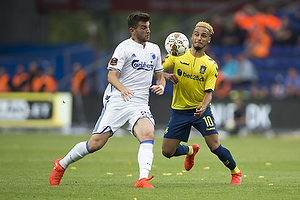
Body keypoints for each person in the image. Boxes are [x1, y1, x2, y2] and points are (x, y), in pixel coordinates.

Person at [50, 11, 166, 188]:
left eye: (148, 27)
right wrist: (123, 89)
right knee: (96, 144)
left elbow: (160, 75)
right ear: (132, 30)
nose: (147, 31)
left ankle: (142, 179)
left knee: (148, 133)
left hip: (140, 104)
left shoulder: (154, 49)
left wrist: (162, 85)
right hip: (119, 101)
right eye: (143, 28)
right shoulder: (123, 48)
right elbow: (111, 76)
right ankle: (61, 164)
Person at [162, 21, 242, 185]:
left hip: (201, 111)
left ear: (208, 40)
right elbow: (157, 70)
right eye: (196, 34)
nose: (199, 38)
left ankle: (236, 173)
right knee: (167, 151)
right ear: (191, 37)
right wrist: (166, 76)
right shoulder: (177, 56)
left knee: (215, 147)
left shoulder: (211, 65)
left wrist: (204, 107)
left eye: (203, 36)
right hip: (179, 110)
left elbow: (209, 93)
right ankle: (191, 150)